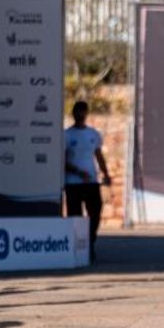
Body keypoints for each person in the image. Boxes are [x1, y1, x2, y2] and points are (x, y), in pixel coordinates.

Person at [63, 100, 111, 258]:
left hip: (91, 182)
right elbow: (61, 161)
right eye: (77, 112)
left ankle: (89, 242)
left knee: (95, 213)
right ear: (73, 114)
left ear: (86, 113)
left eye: (83, 112)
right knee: (75, 216)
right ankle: (75, 248)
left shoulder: (93, 134)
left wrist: (105, 173)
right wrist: (77, 171)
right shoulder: (67, 135)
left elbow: (99, 156)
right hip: (73, 183)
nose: (80, 115)